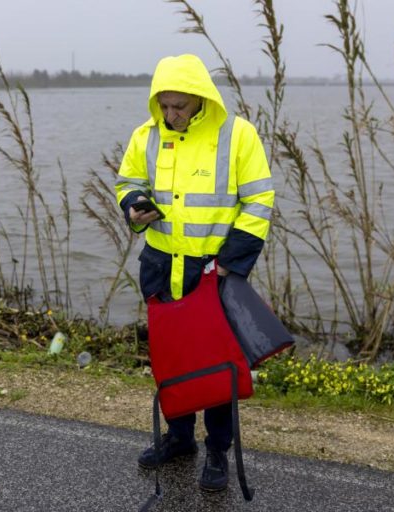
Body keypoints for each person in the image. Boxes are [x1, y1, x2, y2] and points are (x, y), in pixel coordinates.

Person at [115, 54, 274, 492]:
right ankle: (180, 438)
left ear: (201, 100)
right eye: (164, 106)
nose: (171, 115)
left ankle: (218, 451)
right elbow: (127, 180)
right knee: (172, 361)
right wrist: (133, 206)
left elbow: (259, 200)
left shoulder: (238, 135)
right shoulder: (146, 136)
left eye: (179, 107)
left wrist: (232, 260)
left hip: (215, 273)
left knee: (216, 367)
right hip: (162, 268)